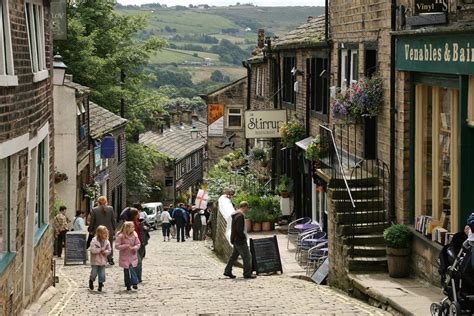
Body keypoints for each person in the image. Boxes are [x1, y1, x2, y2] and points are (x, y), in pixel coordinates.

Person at [224, 201, 255, 279]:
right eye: (247, 208)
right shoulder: (240, 216)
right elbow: (239, 229)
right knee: (247, 256)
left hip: (235, 239)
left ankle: (227, 271)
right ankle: (247, 274)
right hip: (240, 240)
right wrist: (243, 237)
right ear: (244, 207)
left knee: (233, 256)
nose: (247, 210)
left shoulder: (236, 214)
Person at [89, 196, 116, 265]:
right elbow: (113, 220)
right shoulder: (110, 209)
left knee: (98, 244)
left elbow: (92, 221)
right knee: (109, 244)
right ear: (106, 201)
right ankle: (110, 259)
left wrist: (90, 229)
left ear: (98, 202)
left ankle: (99, 259)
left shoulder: (94, 210)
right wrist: (114, 229)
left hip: (98, 230)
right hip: (108, 230)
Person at [115, 221, 141, 291]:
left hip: (132, 256)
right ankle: (128, 284)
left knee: (133, 270)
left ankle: (135, 283)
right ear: (127, 228)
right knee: (126, 271)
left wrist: (134, 248)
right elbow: (117, 246)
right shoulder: (121, 236)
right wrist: (125, 246)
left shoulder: (134, 235)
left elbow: (138, 244)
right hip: (124, 257)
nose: (133, 228)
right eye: (132, 227)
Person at [89, 225, 111, 292]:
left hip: (103, 260)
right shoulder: (94, 241)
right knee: (94, 273)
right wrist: (99, 250)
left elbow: (109, 250)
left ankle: (100, 284)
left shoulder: (107, 242)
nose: (105, 235)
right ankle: (91, 280)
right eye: (104, 233)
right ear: (99, 234)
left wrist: (106, 252)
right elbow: (92, 250)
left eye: (106, 234)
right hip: (95, 260)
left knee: (102, 274)